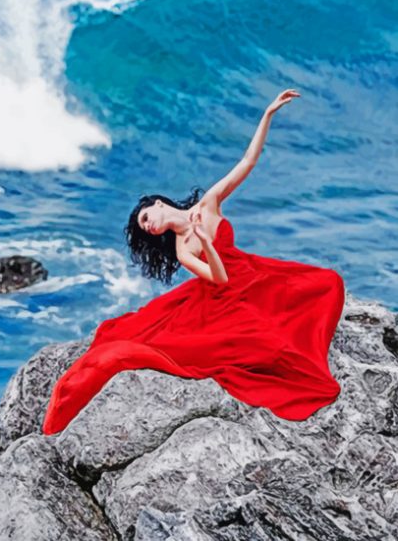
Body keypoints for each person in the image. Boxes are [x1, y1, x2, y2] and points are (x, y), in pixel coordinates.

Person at [42, 89, 345, 435]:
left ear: (157, 204)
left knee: (329, 283)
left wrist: (268, 114)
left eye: (146, 218)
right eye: (146, 230)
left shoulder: (209, 204)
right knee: (270, 349)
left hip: (258, 276)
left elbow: (247, 162)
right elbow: (219, 280)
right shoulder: (185, 249)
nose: (151, 226)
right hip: (224, 300)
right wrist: (205, 244)